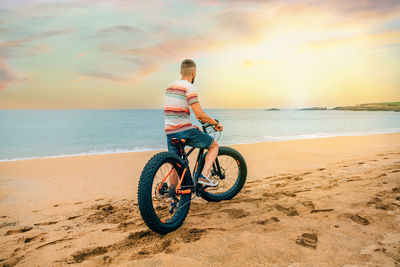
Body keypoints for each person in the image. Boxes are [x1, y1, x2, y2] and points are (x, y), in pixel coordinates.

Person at [164, 59, 223, 187]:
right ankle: (204, 176)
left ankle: (172, 195)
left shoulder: (169, 87)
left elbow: (176, 112)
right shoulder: (189, 87)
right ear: (193, 72)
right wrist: (214, 123)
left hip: (169, 131)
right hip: (184, 132)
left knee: (176, 163)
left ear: (180, 71)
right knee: (214, 146)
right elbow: (199, 114)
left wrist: (189, 125)